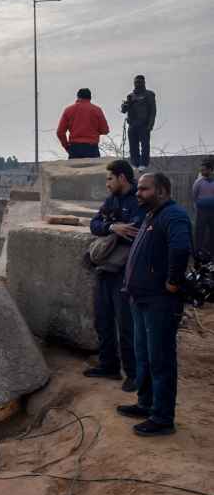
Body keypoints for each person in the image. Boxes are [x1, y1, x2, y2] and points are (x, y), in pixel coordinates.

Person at [118, 173, 192, 437]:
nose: (138, 193)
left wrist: (173, 281)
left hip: (160, 302)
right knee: (144, 356)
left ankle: (162, 418)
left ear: (161, 191)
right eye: (138, 189)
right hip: (140, 300)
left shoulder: (174, 215)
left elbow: (181, 248)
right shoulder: (152, 215)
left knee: (160, 359)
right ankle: (146, 403)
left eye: (144, 189)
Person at [87, 160, 145, 391]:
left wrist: (115, 225)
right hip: (105, 270)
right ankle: (108, 365)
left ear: (122, 178)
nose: (107, 183)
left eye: (110, 178)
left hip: (126, 271)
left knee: (126, 324)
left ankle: (133, 374)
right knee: (103, 319)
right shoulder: (111, 201)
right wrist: (112, 227)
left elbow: (134, 231)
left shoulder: (138, 201)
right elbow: (95, 224)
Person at [56, 88, 110, 159]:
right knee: (94, 170)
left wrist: (67, 147)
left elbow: (60, 132)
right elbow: (105, 130)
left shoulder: (68, 110)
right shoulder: (97, 110)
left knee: (75, 170)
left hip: (74, 148)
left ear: (78, 97)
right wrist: (94, 131)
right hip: (92, 148)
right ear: (90, 98)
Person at [121, 75, 157, 170]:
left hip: (143, 124)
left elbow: (153, 111)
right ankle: (134, 163)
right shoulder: (131, 96)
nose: (138, 84)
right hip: (132, 124)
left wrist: (151, 124)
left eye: (140, 82)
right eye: (136, 82)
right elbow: (124, 110)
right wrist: (125, 105)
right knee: (133, 146)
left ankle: (143, 164)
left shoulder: (149, 94)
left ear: (144, 83)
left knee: (145, 145)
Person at [192, 156, 214, 256]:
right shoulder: (198, 182)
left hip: (212, 210)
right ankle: (197, 251)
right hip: (201, 211)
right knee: (199, 231)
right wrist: (196, 206)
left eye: (204, 170)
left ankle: (210, 250)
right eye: (201, 170)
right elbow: (194, 195)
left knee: (212, 231)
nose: (202, 171)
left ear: (210, 170)